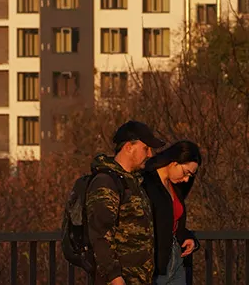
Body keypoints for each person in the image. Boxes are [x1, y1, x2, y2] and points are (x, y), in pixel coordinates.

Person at [86, 121, 165, 285]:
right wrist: (115, 278)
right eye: (146, 148)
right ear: (129, 147)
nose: (150, 154)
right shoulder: (106, 182)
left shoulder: (134, 183)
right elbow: (100, 234)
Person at [140, 141, 202, 285]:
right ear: (174, 162)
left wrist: (187, 237)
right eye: (186, 173)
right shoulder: (145, 182)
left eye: (190, 176)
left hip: (176, 258)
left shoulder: (175, 186)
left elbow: (171, 220)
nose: (186, 179)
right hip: (154, 263)